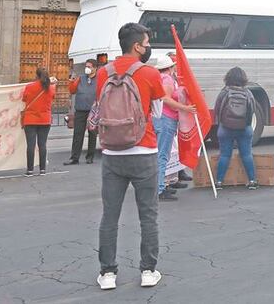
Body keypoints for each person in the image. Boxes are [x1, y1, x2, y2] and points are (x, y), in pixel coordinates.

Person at [96, 23, 166, 290]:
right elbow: (157, 114)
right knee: (148, 215)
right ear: (137, 46)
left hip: (112, 153)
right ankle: (148, 270)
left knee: (109, 215)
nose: (148, 47)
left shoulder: (104, 73)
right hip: (144, 150)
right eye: (146, 43)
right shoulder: (149, 73)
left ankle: (108, 274)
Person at [151, 55, 195, 201]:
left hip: (161, 118)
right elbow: (166, 99)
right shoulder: (168, 79)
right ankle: (159, 189)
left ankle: (162, 185)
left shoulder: (160, 78)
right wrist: (185, 107)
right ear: (170, 68)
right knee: (163, 155)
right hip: (167, 119)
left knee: (162, 154)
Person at [213, 66, 258, 190]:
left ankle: (219, 182)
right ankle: (252, 181)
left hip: (225, 128)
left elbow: (217, 110)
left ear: (228, 78)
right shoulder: (248, 93)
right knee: (247, 154)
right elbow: (252, 110)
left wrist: (222, 122)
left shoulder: (224, 92)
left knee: (225, 155)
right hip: (244, 128)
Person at [21, 68, 56, 176]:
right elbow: (52, 98)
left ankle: (30, 170)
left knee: (30, 145)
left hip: (30, 119)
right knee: (42, 145)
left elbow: (24, 99)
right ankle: (42, 170)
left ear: (36, 75)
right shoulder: (51, 88)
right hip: (45, 120)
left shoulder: (29, 87)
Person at [65, 59, 99, 166]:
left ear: (95, 68)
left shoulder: (99, 79)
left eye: (89, 67)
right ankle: (74, 158)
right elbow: (72, 90)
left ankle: (90, 157)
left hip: (93, 111)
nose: (87, 68)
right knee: (77, 134)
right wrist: (71, 81)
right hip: (80, 110)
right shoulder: (80, 78)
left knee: (92, 134)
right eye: (86, 66)